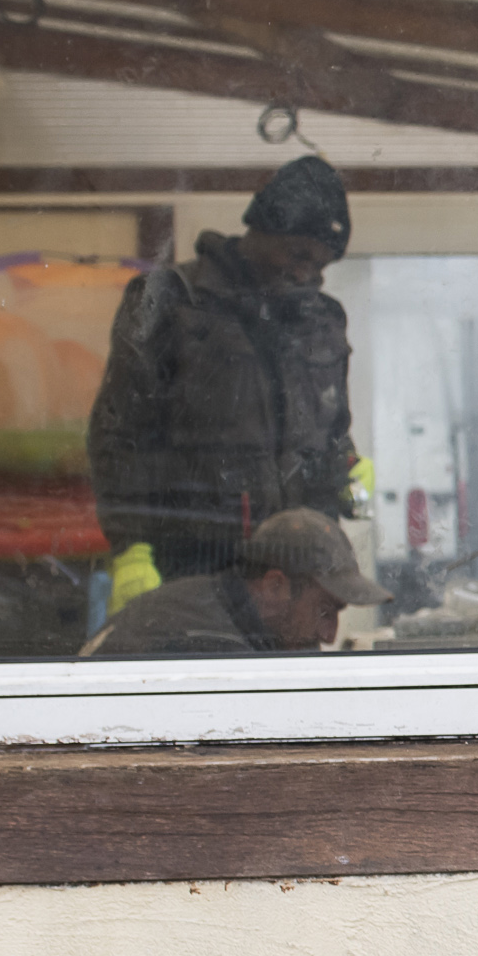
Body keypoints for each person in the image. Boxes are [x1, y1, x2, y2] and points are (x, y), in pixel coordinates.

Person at [86, 153, 360, 608]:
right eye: (297, 254)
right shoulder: (170, 302)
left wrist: (348, 466)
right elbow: (119, 435)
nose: (305, 274)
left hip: (297, 572)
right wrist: (131, 549)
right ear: (261, 229)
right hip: (191, 564)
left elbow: (332, 430)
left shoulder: (323, 320)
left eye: (319, 265)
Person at [79, 508, 383, 657]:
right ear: (275, 586)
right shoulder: (208, 647)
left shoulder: (222, 616)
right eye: (324, 611)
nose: (329, 636)